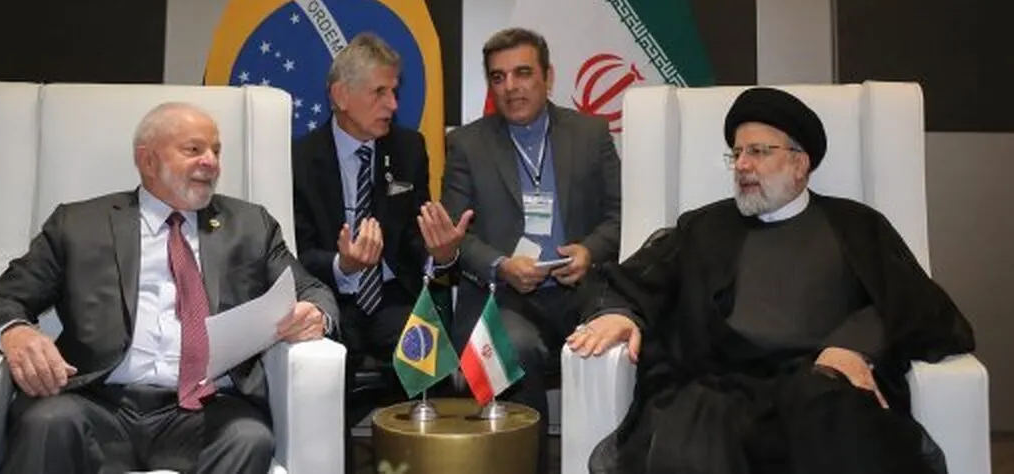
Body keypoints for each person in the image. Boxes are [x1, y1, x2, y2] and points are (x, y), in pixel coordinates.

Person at [568, 86, 976, 474]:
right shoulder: (705, 227)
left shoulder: (857, 225)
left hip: (821, 389)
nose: (743, 165)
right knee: (691, 433)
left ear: (800, 164)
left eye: (759, 152)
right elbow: (636, 279)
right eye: (737, 153)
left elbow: (918, 306)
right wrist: (619, 314)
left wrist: (855, 345)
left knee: (841, 424)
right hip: (721, 389)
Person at [0, 101, 339, 474]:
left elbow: (312, 290)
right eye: (194, 149)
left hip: (208, 408)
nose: (211, 161)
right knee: (46, 423)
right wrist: (15, 333)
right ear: (148, 160)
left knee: (249, 438)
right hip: (96, 401)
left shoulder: (250, 225)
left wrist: (315, 314)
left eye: (216, 151)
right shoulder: (78, 225)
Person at [431, 27, 621, 472]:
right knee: (511, 349)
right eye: (498, 77)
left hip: (581, 290)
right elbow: (456, 236)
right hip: (503, 297)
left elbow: (619, 214)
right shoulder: (467, 144)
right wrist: (500, 265)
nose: (511, 87)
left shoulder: (590, 133)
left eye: (523, 73)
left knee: (614, 341)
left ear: (547, 77)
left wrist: (590, 252)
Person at [292, 34, 467, 428]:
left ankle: (425, 454)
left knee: (431, 357)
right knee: (321, 370)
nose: (393, 105)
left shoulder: (408, 149)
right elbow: (294, 252)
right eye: (380, 92)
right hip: (329, 300)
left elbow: (414, 238)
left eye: (394, 92)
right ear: (341, 95)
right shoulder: (298, 159)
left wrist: (441, 255)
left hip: (391, 296)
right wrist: (343, 265)